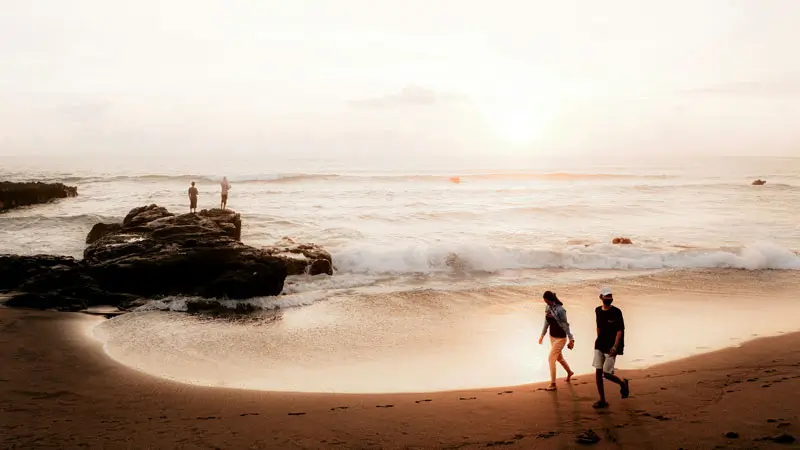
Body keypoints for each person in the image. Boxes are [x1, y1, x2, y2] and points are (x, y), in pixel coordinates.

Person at [593, 287, 630, 408]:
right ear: (601, 297)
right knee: (598, 372)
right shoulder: (597, 310)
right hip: (599, 344)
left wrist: (615, 347)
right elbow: (598, 326)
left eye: (610, 296)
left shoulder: (616, 312)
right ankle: (602, 400)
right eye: (606, 296)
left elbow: (620, 330)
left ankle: (622, 384)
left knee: (606, 373)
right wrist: (599, 338)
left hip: (611, 346)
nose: (608, 298)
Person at [538, 290, 575, 390]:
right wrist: (542, 335)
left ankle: (553, 384)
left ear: (550, 299)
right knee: (559, 358)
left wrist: (571, 339)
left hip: (561, 338)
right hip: (552, 337)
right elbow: (546, 322)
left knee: (551, 359)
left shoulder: (560, 310)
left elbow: (565, 325)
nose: (546, 303)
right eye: (545, 301)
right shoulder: (547, 308)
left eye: (546, 301)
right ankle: (569, 372)